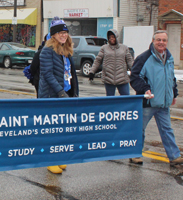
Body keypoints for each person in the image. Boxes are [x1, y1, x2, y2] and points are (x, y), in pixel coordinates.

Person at [129, 30, 183, 166]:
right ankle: (135, 155)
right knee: (139, 129)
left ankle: (174, 157)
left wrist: (174, 93)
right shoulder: (144, 58)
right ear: (153, 41)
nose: (161, 42)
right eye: (158, 40)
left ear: (166, 42)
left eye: (164, 40)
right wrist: (145, 89)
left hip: (163, 103)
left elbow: (171, 77)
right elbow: (134, 77)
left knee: (167, 130)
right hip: (148, 102)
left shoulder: (169, 57)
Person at [38, 17, 79, 174]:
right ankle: (50, 160)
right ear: (53, 35)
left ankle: (59, 157)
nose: (64, 35)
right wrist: (60, 92)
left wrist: (73, 92)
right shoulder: (47, 51)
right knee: (51, 130)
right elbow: (48, 75)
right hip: (51, 96)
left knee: (62, 130)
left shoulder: (66, 51)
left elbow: (71, 74)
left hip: (65, 93)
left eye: (66, 33)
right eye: (61, 33)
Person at [89, 29, 134, 96]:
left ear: (116, 37)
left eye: (113, 37)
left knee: (126, 98)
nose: (111, 39)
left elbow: (130, 61)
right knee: (110, 100)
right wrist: (92, 72)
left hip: (122, 79)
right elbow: (98, 60)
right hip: (108, 79)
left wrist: (135, 72)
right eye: (110, 37)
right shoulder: (104, 48)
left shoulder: (124, 48)